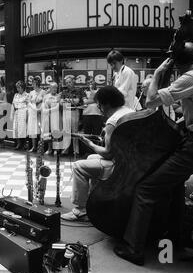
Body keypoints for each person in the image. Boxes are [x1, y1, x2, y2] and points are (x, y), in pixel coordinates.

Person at [114, 42, 193, 266]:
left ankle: (134, 249)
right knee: (174, 185)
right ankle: (175, 239)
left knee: (146, 189)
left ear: (178, 65)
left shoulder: (192, 77)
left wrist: (158, 73)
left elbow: (150, 102)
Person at [61, 86, 134, 221]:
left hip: (118, 167)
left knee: (78, 166)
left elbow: (107, 153)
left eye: (99, 105)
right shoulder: (129, 111)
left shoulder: (112, 121)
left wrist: (90, 144)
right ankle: (95, 202)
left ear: (106, 103)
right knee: (91, 158)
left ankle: (80, 210)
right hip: (131, 161)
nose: (99, 108)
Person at [60, 75, 85, 156]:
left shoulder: (78, 90)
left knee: (75, 131)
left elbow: (77, 101)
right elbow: (60, 102)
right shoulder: (64, 92)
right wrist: (70, 101)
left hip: (74, 111)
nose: (68, 84)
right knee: (66, 131)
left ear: (73, 82)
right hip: (66, 112)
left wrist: (67, 100)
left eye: (70, 82)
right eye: (67, 83)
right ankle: (66, 149)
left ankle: (76, 151)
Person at [27, 76, 46, 152]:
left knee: (41, 130)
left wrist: (39, 109)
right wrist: (33, 108)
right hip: (33, 113)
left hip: (40, 113)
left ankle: (41, 147)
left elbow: (44, 102)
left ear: (37, 83)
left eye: (34, 83)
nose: (33, 85)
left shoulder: (43, 92)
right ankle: (34, 146)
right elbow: (28, 102)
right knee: (33, 129)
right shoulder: (31, 92)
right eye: (32, 83)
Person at [41, 82, 61, 155]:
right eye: (53, 87)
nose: (54, 89)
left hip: (55, 116)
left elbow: (57, 107)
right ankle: (49, 149)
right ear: (50, 88)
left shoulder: (58, 96)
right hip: (47, 116)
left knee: (55, 132)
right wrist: (47, 110)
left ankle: (56, 149)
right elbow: (43, 107)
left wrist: (49, 110)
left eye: (56, 87)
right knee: (48, 132)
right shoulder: (46, 96)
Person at [12, 80, 29, 150]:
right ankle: (18, 143)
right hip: (17, 112)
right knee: (16, 128)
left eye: (19, 87)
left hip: (23, 112)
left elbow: (28, 105)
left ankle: (24, 144)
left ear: (23, 87)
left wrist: (27, 114)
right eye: (17, 88)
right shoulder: (16, 95)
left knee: (23, 128)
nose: (18, 89)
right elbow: (13, 103)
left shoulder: (27, 95)